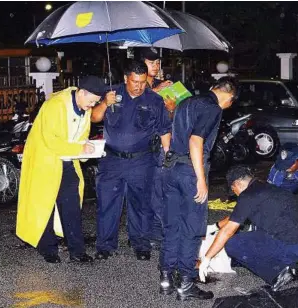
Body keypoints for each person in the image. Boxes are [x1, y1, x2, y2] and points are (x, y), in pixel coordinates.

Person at [16, 76, 109, 263]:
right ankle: (48, 250)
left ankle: (77, 252)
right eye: (91, 101)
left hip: (67, 162)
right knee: (45, 207)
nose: (92, 106)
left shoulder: (83, 106)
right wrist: (79, 149)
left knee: (72, 207)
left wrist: (88, 149)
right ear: (81, 93)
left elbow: (80, 137)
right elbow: (50, 141)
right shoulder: (55, 105)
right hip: (45, 163)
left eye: (95, 102)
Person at [159, 77, 236, 301]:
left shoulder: (187, 102)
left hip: (171, 169)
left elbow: (172, 132)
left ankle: (165, 278)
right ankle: (185, 283)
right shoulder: (212, 108)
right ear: (229, 97)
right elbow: (195, 142)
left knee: (172, 225)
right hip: (189, 171)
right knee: (191, 229)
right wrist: (200, 178)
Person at [91, 60, 172, 261]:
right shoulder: (111, 94)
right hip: (112, 161)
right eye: (135, 81)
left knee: (141, 205)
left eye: (143, 82)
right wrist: (104, 104)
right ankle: (105, 245)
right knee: (107, 204)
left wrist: (168, 154)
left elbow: (164, 130)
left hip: (142, 161)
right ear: (126, 78)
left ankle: (140, 243)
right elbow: (94, 118)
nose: (139, 86)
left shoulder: (154, 100)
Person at [200, 165, 298, 291]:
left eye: (233, 189)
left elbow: (228, 230)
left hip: (294, 247)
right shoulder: (265, 189)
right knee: (255, 232)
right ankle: (287, 264)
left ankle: (279, 274)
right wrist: (213, 227)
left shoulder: (248, 196)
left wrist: (207, 258)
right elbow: (234, 217)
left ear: (237, 183)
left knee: (232, 243)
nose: (234, 193)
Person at [141, 47, 176, 248]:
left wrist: (171, 108)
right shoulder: (137, 85)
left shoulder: (158, 84)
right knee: (151, 191)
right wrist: (156, 91)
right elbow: (136, 104)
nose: (156, 66)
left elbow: (166, 118)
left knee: (161, 189)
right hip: (143, 145)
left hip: (162, 142)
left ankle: (158, 231)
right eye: (151, 62)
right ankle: (150, 233)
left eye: (157, 63)